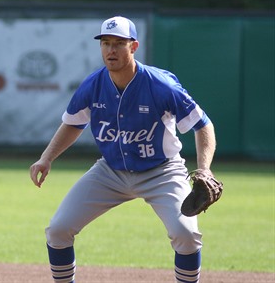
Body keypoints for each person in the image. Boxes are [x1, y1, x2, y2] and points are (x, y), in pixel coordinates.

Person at [29, 16, 217, 283]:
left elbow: (203, 125)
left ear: (134, 46)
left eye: (119, 43)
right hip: (111, 171)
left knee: (185, 235)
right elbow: (72, 124)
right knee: (58, 230)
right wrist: (46, 158)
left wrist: (205, 170)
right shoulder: (93, 85)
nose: (111, 50)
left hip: (162, 172)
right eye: (106, 43)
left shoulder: (161, 85)